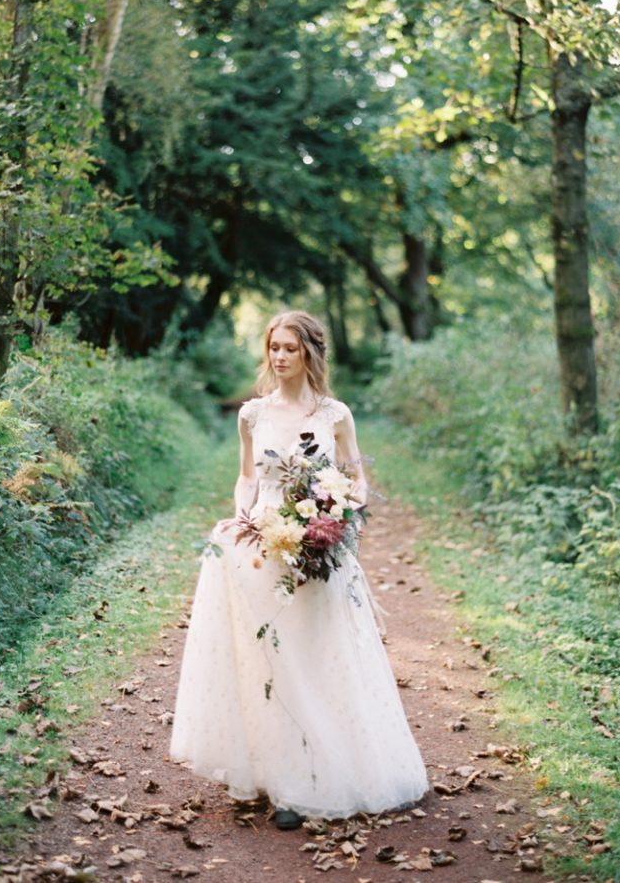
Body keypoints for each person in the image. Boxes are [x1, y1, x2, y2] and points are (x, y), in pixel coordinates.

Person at [169, 310, 427, 829]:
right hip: (264, 546)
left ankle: (317, 777)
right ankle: (281, 781)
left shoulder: (335, 415)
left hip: (317, 550)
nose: (279, 357)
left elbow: (355, 479)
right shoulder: (252, 415)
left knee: (314, 658)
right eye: (273, 348)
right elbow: (246, 479)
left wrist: (335, 508)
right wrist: (242, 518)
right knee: (272, 660)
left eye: (290, 347)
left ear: (310, 351)